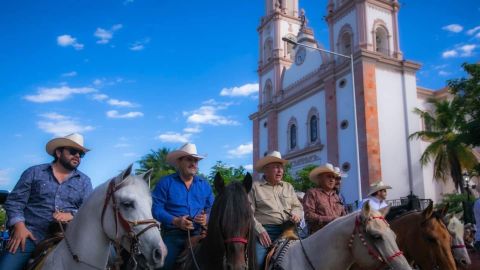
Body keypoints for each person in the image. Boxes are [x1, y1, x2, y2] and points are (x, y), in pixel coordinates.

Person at [0, 133, 93, 270]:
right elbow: (14, 202)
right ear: (59, 152)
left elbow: (89, 210)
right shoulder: (34, 172)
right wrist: (19, 227)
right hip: (30, 235)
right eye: (73, 151)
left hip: (68, 237)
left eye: (81, 154)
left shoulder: (85, 181)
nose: (78, 156)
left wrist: (72, 214)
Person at [152, 143, 214, 270]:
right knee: (164, 264)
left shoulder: (204, 185)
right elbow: (156, 208)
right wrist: (176, 221)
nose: (194, 164)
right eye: (189, 160)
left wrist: (206, 218)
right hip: (174, 234)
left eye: (196, 160)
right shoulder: (165, 183)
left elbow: (212, 207)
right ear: (179, 162)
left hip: (200, 233)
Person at [249, 151, 303, 269]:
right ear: (266, 170)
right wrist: (260, 231)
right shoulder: (255, 187)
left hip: (289, 229)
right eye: (276, 167)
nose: (280, 171)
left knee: (304, 256)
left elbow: (297, 206)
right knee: (257, 262)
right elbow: (248, 214)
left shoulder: (288, 186)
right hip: (266, 232)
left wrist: (296, 213)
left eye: (281, 167)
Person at [303, 163, 346, 235]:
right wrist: (330, 219)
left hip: (338, 234)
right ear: (320, 179)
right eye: (329, 177)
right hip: (319, 236)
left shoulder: (336, 197)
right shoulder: (312, 193)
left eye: (333, 177)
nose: (332, 180)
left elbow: (344, 215)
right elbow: (309, 215)